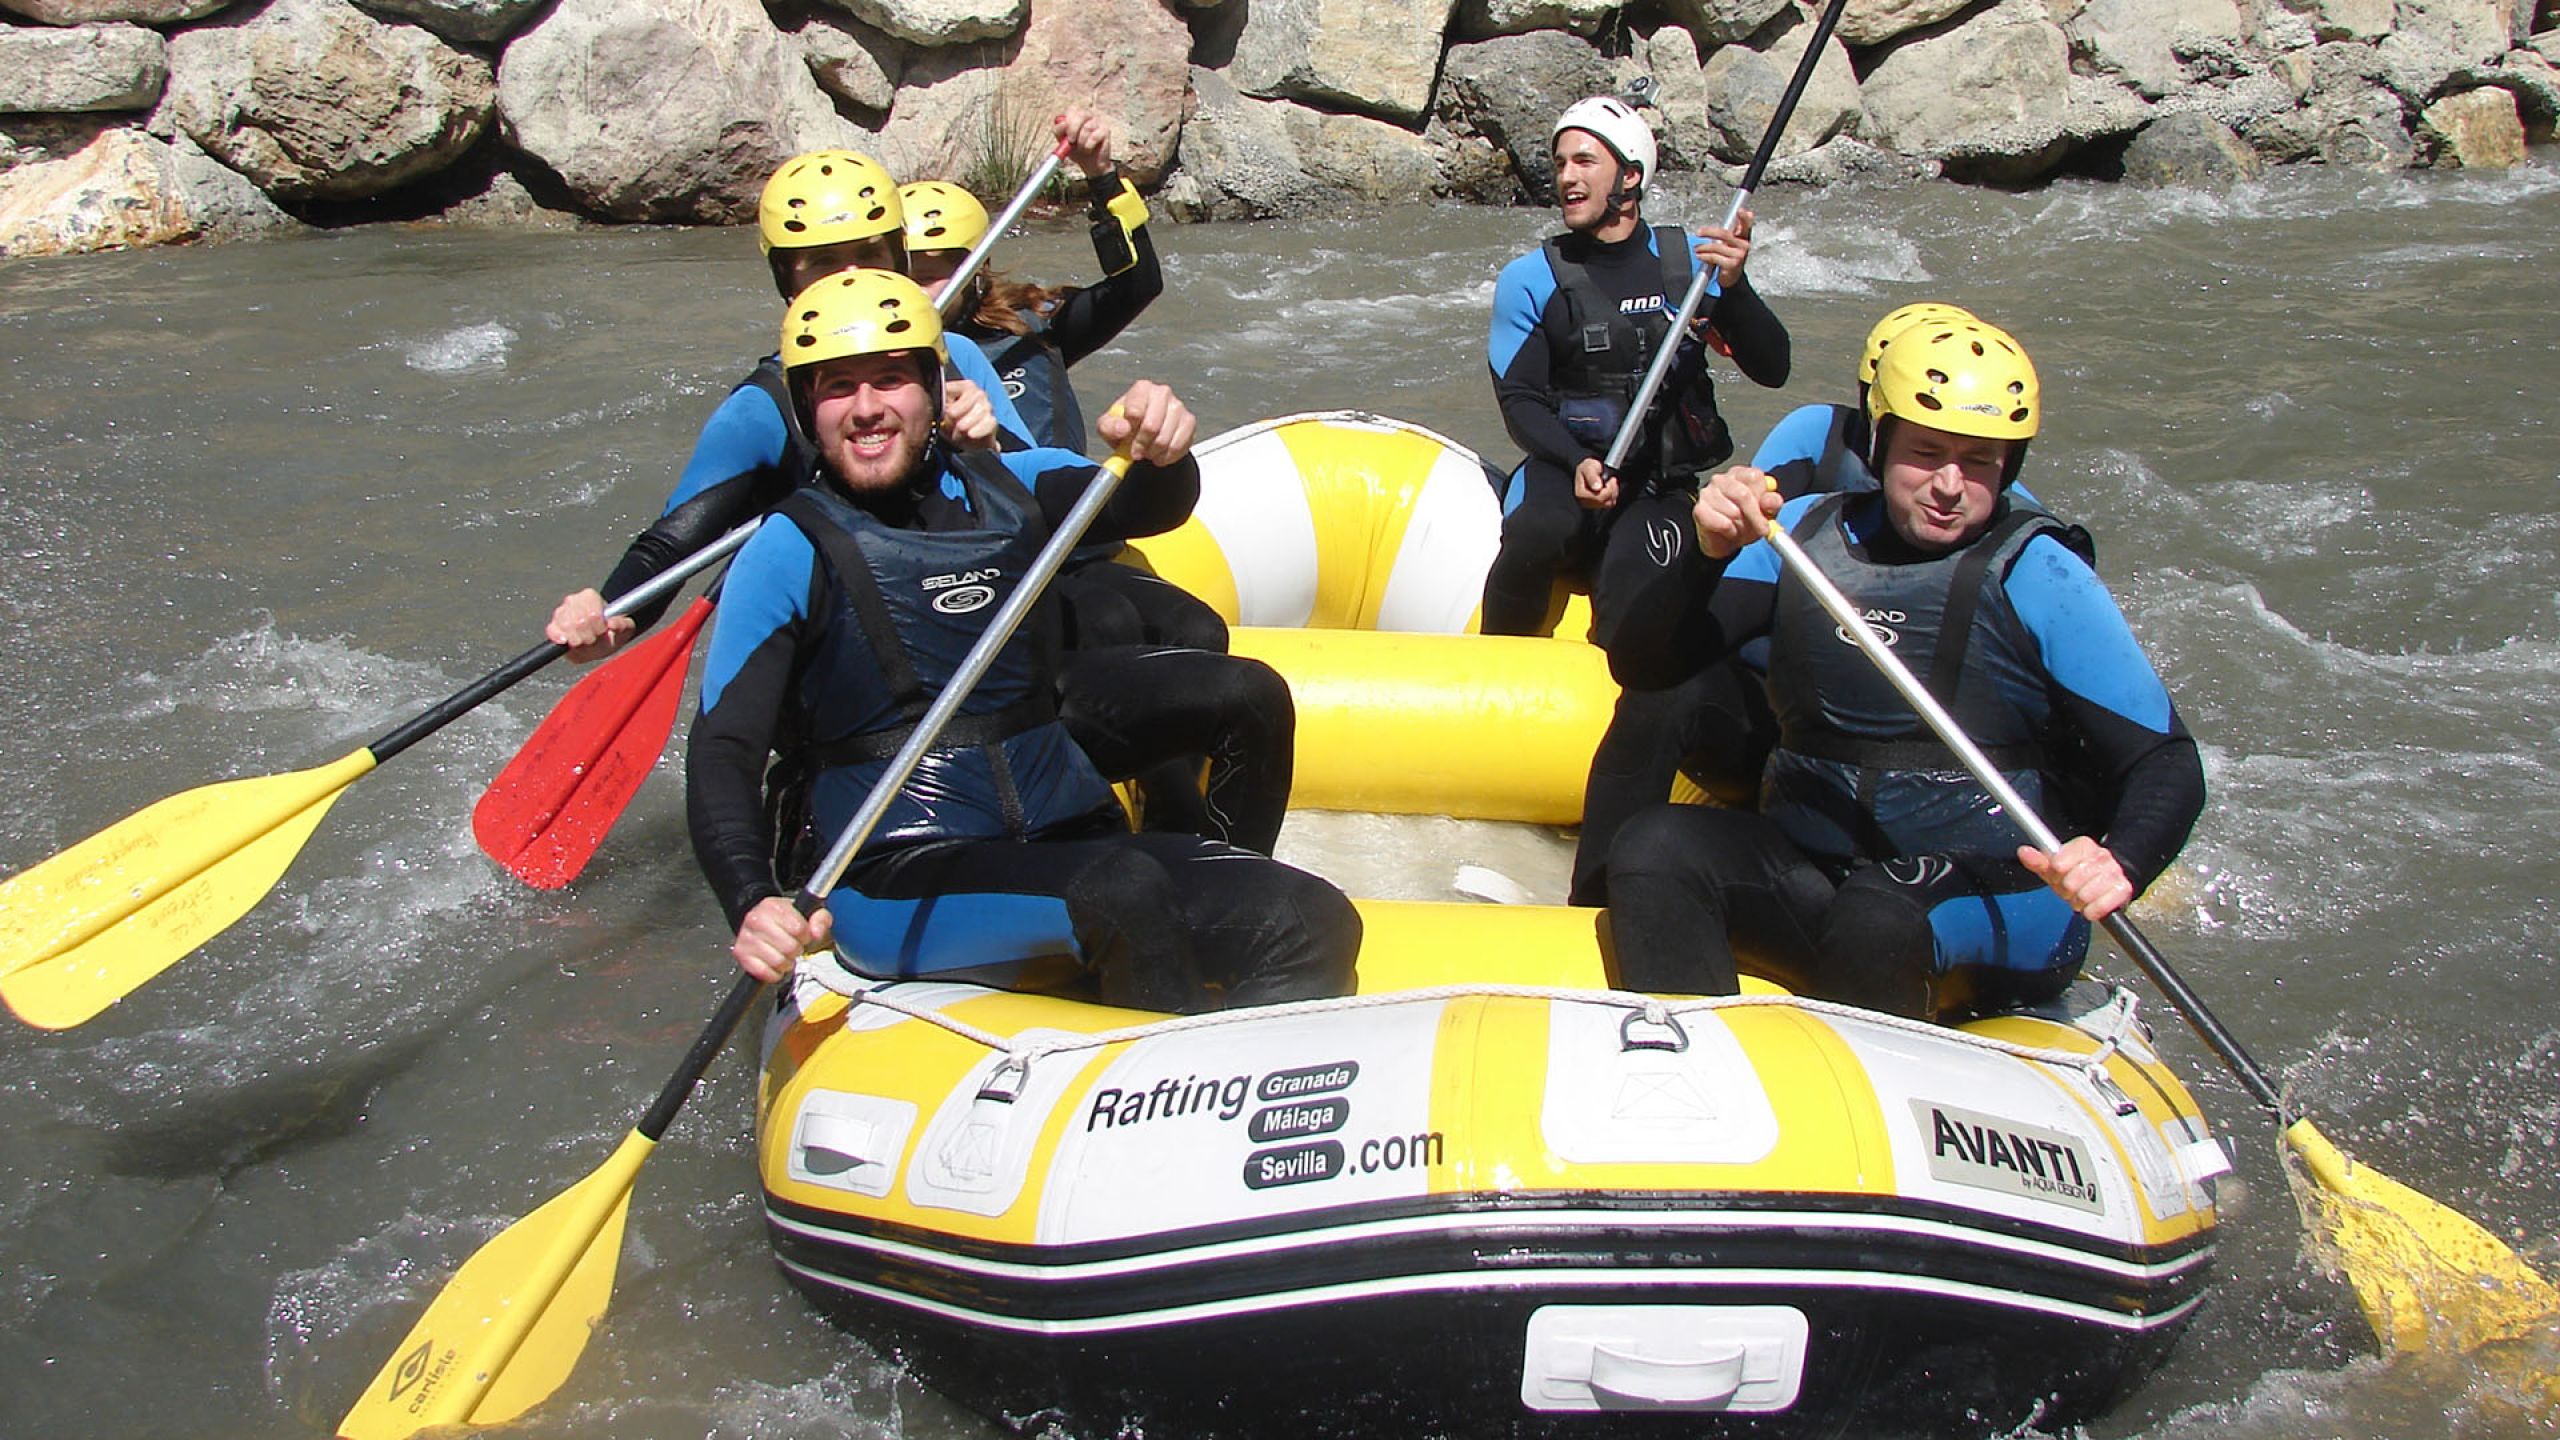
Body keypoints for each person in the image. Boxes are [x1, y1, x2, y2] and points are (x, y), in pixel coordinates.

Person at [692, 270, 1360, 1010]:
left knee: (1314, 921)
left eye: (890, 380)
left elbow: (1151, 502)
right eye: (838, 388)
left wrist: (1164, 452)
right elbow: (724, 751)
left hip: (1068, 835)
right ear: (807, 409)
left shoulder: (1013, 485)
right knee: (1123, 896)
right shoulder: (787, 549)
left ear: (932, 389)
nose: (867, 409)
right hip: (896, 872)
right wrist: (752, 899)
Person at [1601, 319, 2203, 1021]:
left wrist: (2120, 861)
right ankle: (1691, 1081)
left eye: (1979, 460)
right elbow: (1644, 666)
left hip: (1995, 889)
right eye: (1927, 453)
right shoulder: (1798, 534)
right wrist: (1704, 554)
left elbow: (2165, 760)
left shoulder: (2040, 571)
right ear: (1880, 442)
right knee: (1655, 848)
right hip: (1820, 868)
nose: (1950, 484)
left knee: (1880, 914)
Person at [1477, 96, 1791, 906]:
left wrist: (1739, 288)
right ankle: (1494, 693)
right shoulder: (1533, 278)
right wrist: (1576, 460)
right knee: (1540, 530)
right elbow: (1520, 400)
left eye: (1585, 160)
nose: (1566, 176)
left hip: (1655, 483)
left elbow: (1774, 366)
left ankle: (1620, 770)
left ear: (1632, 176)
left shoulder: (1692, 267)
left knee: (1633, 617)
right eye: (1560, 162)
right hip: (1567, 470)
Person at [545, 147, 1033, 664]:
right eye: (823, 262)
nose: (852, 280)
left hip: (972, 619)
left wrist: (989, 452)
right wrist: (606, 615)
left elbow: (1045, 506)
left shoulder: (955, 356)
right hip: (848, 661)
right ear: (788, 281)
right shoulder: (760, 409)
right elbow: (666, 550)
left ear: (898, 259)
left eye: (869, 255)